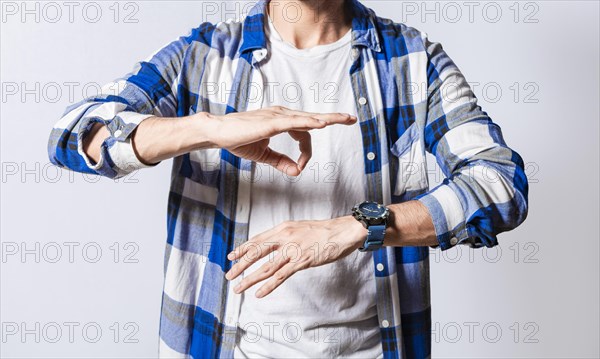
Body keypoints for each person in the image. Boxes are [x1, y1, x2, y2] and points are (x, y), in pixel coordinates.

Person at [47, 0, 529, 357]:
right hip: (225, 347)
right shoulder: (204, 55)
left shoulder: (413, 60)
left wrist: (361, 226)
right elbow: (72, 136)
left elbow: (500, 184)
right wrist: (208, 128)